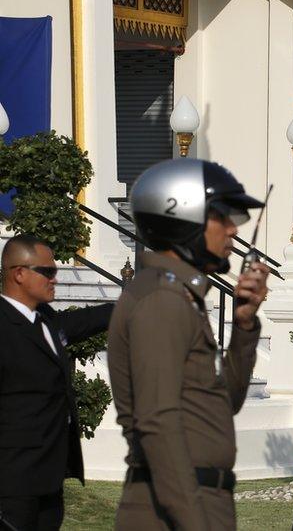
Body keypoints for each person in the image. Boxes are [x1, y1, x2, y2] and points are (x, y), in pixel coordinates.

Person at [107, 158, 270, 530]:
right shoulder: (162, 300)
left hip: (195, 500)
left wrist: (244, 325)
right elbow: (157, 423)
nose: (233, 230)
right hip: (172, 509)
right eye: (222, 216)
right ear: (181, 216)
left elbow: (223, 402)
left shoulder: (181, 297)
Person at [0, 234, 114, 531]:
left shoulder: (44, 320)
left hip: (49, 482)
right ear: (19, 274)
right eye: (47, 271)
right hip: (11, 486)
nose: (55, 278)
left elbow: (81, 323)